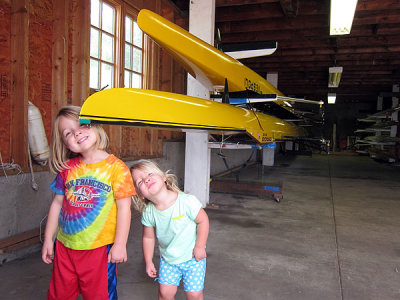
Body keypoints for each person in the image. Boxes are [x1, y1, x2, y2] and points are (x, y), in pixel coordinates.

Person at [41, 105, 135, 300]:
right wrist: (49, 238)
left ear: (95, 126)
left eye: (82, 125)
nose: (77, 133)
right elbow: (57, 204)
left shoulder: (117, 168)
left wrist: (120, 244)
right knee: (59, 295)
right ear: (65, 144)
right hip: (65, 247)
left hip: (99, 250)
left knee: (99, 296)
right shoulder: (67, 169)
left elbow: (124, 208)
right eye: (68, 133)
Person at [130, 160, 209, 300]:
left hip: (192, 258)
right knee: (165, 294)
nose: (146, 179)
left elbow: (203, 221)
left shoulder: (186, 201)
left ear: (164, 178)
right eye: (140, 182)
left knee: (194, 294)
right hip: (168, 260)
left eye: (150, 173)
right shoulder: (149, 212)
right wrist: (148, 261)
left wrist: (200, 246)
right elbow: (148, 238)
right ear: (140, 195)